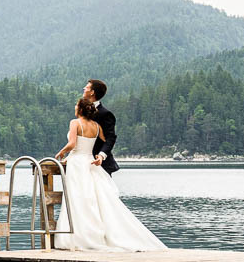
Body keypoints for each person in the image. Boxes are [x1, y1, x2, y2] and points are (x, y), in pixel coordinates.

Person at [52, 96, 166, 251]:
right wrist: (99, 155)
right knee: (89, 197)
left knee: (77, 197)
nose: (74, 106)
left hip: (77, 164)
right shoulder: (96, 126)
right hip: (89, 161)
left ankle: (79, 235)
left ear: (79, 109)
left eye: (76, 105)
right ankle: (92, 234)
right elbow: (105, 141)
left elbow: (72, 144)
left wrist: (60, 154)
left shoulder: (75, 123)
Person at [83, 79, 119, 175]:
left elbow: (110, 138)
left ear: (92, 92)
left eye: (86, 87)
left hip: (100, 164)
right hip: (83, 162)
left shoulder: (105, 114)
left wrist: (101, 155)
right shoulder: (81, 112)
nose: (84, 88)